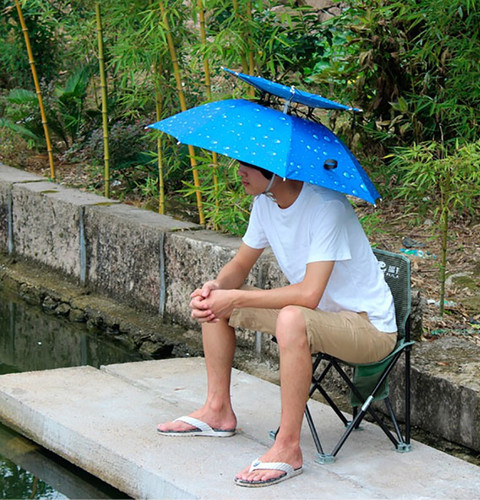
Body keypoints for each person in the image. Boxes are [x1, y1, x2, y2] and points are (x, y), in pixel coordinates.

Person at [157, 160, 397, 487]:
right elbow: (240, 264)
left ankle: (288, 448)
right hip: (317, 318)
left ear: (277, 170)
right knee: (218, 301)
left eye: (247, 166)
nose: (238, 171)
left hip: (368, 328)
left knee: (291, 316)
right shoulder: (265, 203)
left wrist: (236, 298)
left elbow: (309, 294)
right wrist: (216, 286)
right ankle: (217, 410)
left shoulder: (328, 206)